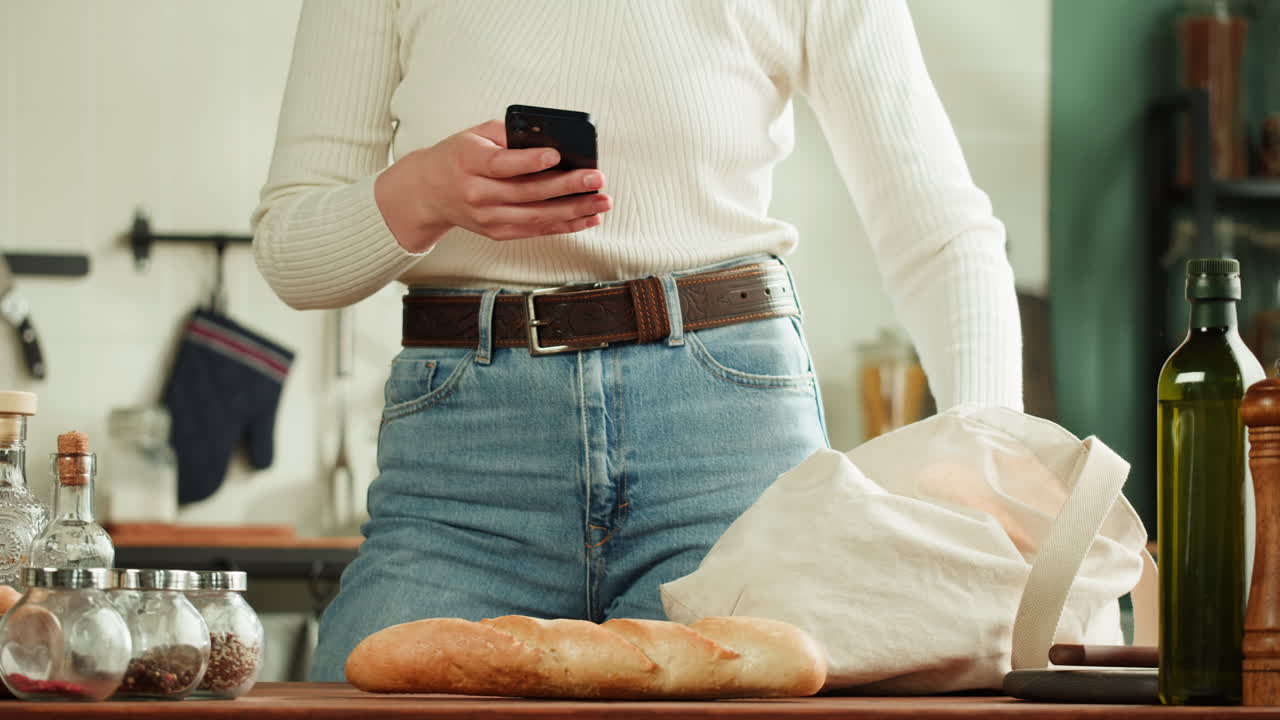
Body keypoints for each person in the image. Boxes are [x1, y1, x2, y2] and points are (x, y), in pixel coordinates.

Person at [252, 0, 1023, 681]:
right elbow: (293, 254)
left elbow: (940, 236)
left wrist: (1000, 480)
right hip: (464, 477)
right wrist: (423, 192)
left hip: (728, 458)